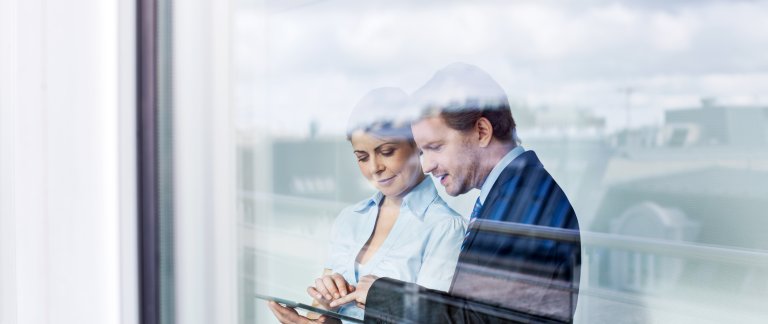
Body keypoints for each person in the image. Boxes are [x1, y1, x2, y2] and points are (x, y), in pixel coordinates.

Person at [330, 63, 582, 323]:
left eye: (435, 147)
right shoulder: (512, 194)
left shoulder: (527, 205)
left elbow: (481, 321)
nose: (427, 165)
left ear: (482, 132)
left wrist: (382, 294)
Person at [268, 87, 466, 323]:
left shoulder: (446, 228)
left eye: (386, 151)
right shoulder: (350, 218)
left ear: (417, 145)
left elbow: (432, 320)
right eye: (362, 157)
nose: (374, 168)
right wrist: (319, 311)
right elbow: (323, 315)